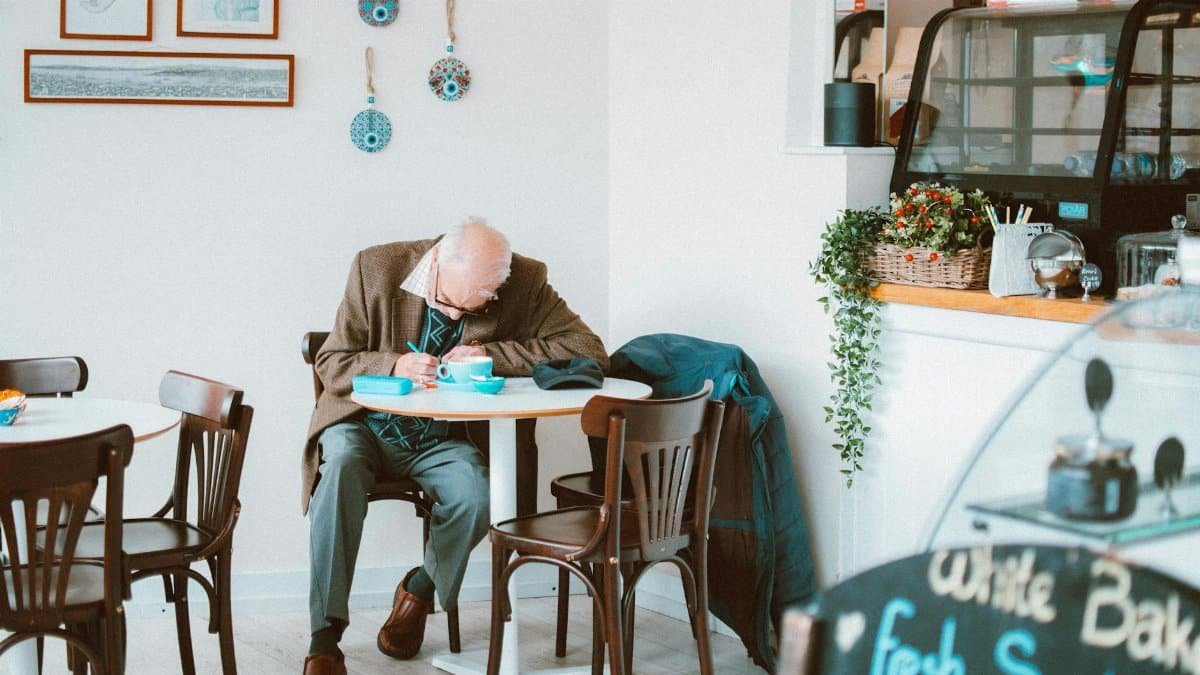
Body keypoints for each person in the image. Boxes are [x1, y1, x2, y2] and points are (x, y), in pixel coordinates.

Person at [301, 218, 608, 675]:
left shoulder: (524, 280)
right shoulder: (376, 268)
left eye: (473, 308)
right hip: (363, 425)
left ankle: (420, 591)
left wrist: (494, 356)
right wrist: (394, 365)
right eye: (446, 302)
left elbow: (589, 349)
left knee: (479, 493)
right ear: (436, 262)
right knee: (340, 467)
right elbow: (332, 361)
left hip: (443, 437)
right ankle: (324, 637)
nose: (454, 316)